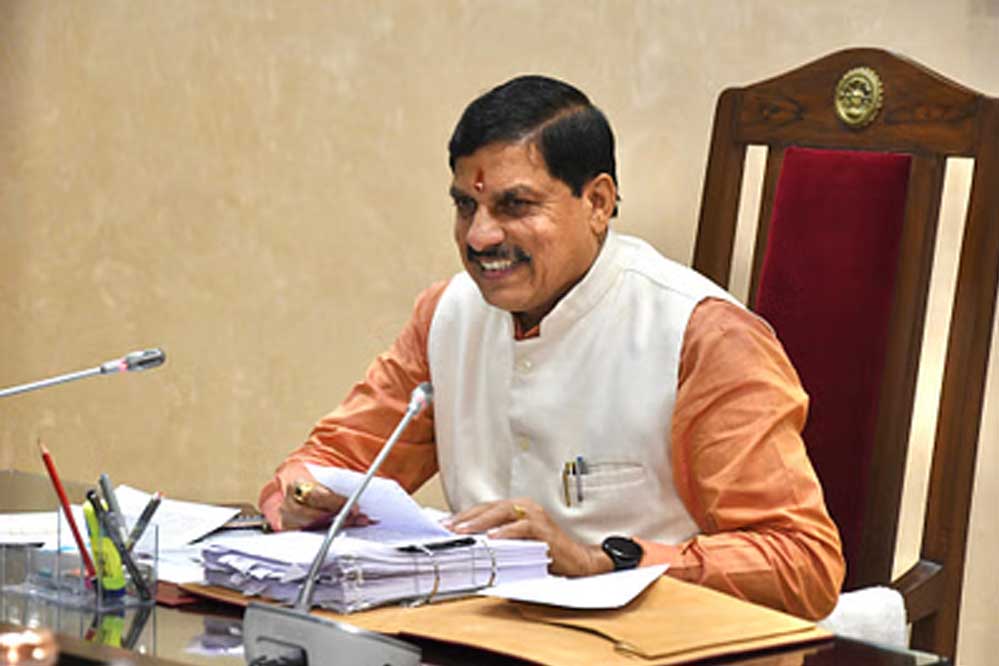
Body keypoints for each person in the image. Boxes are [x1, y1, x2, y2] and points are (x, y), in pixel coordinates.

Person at [259, 75, 845, 620]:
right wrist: (301, 497)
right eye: (465, 205)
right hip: (472, 637)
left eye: (514, 206)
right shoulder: (446, 315)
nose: (480, 237)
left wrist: (602, 561)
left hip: (644, 645)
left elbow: (802, 563)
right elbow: (326, 464)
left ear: (598, 203)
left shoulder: (701, 334)